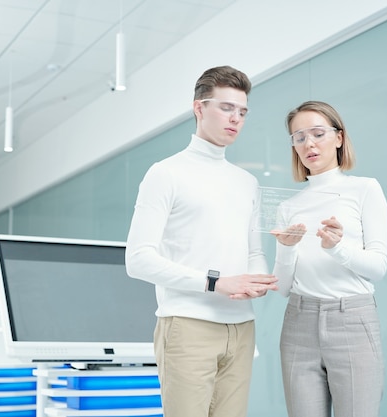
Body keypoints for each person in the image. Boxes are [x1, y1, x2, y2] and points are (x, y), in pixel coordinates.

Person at [125, 65, 279, 417]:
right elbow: (138, 260)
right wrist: (216, 283)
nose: (236, 119)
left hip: (241, 328)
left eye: (242, 112)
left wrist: (256, 279)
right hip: (187, 324)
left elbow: (254, 251)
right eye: (226, 108)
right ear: (199, 108)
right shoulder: (166, 173)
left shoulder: (246, 182)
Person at [271, 100, 387, 417]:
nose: (308, 143)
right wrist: (286, 248)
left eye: (318, 133)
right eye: (299, 137)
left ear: (339, 137)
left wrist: (337, 248)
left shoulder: (365, 189)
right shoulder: (289, 207)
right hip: (298, 323)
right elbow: (282, 287)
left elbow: (377, 268)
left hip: (352, 319)